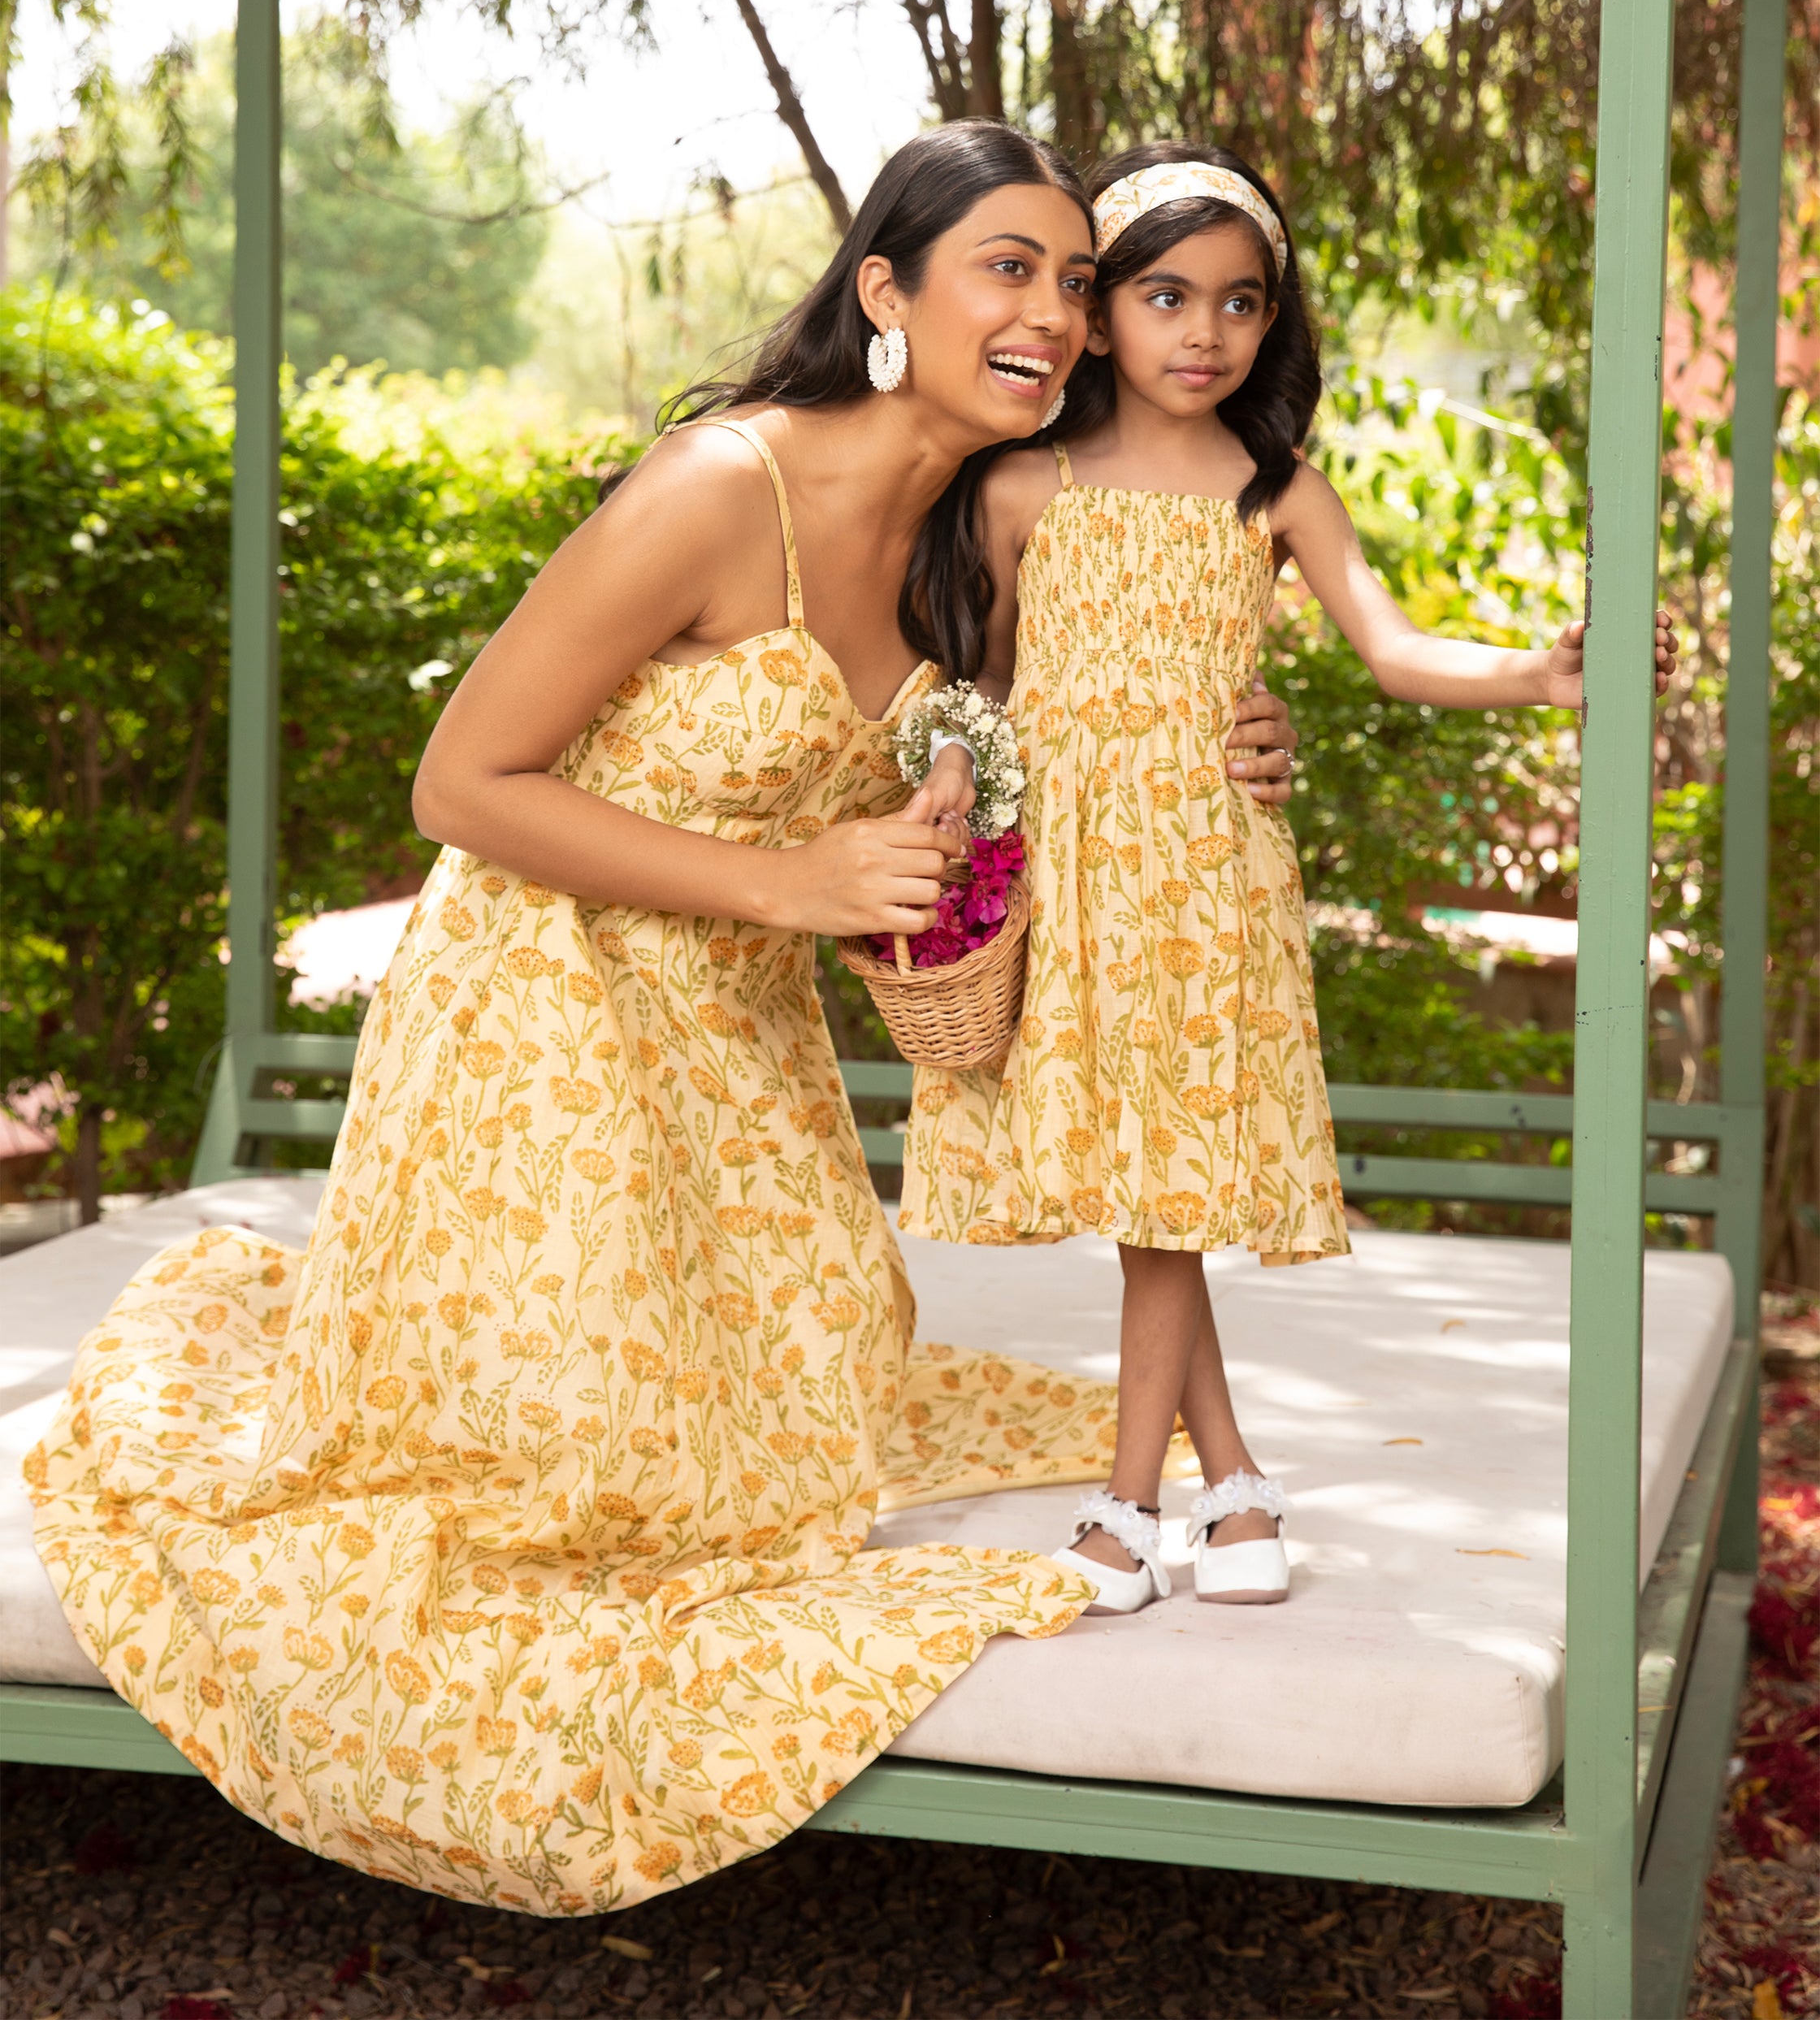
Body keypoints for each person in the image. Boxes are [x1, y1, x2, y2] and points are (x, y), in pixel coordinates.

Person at [29, 124, 1302, 1914]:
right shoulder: (723, 487)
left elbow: (1091, 740)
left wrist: (1249, 741)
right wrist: (793, 883)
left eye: (1074, 282)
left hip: (741, 1053)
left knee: (785, 1450)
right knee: (566, 1496)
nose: (1055, 315)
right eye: (1005, 268)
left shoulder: (980, 537)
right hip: (537, 1029)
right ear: (886, 290)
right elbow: (459, 780)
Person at [899, 144, 1676, 1615]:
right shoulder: (1018, 482)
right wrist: (953, 772)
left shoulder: (1275, 486)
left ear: (1273, 322)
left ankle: (1133, 1510)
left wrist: (1540, 672)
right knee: (1148, 1198)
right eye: (1166, 296)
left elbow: (1392, 647)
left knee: (1167, 1194)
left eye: (1241, 302)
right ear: (1102, 309)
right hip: (1073, 876)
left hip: (1209, 873)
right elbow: (979, 683)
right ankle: (1233, 1481)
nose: (1204, 333)